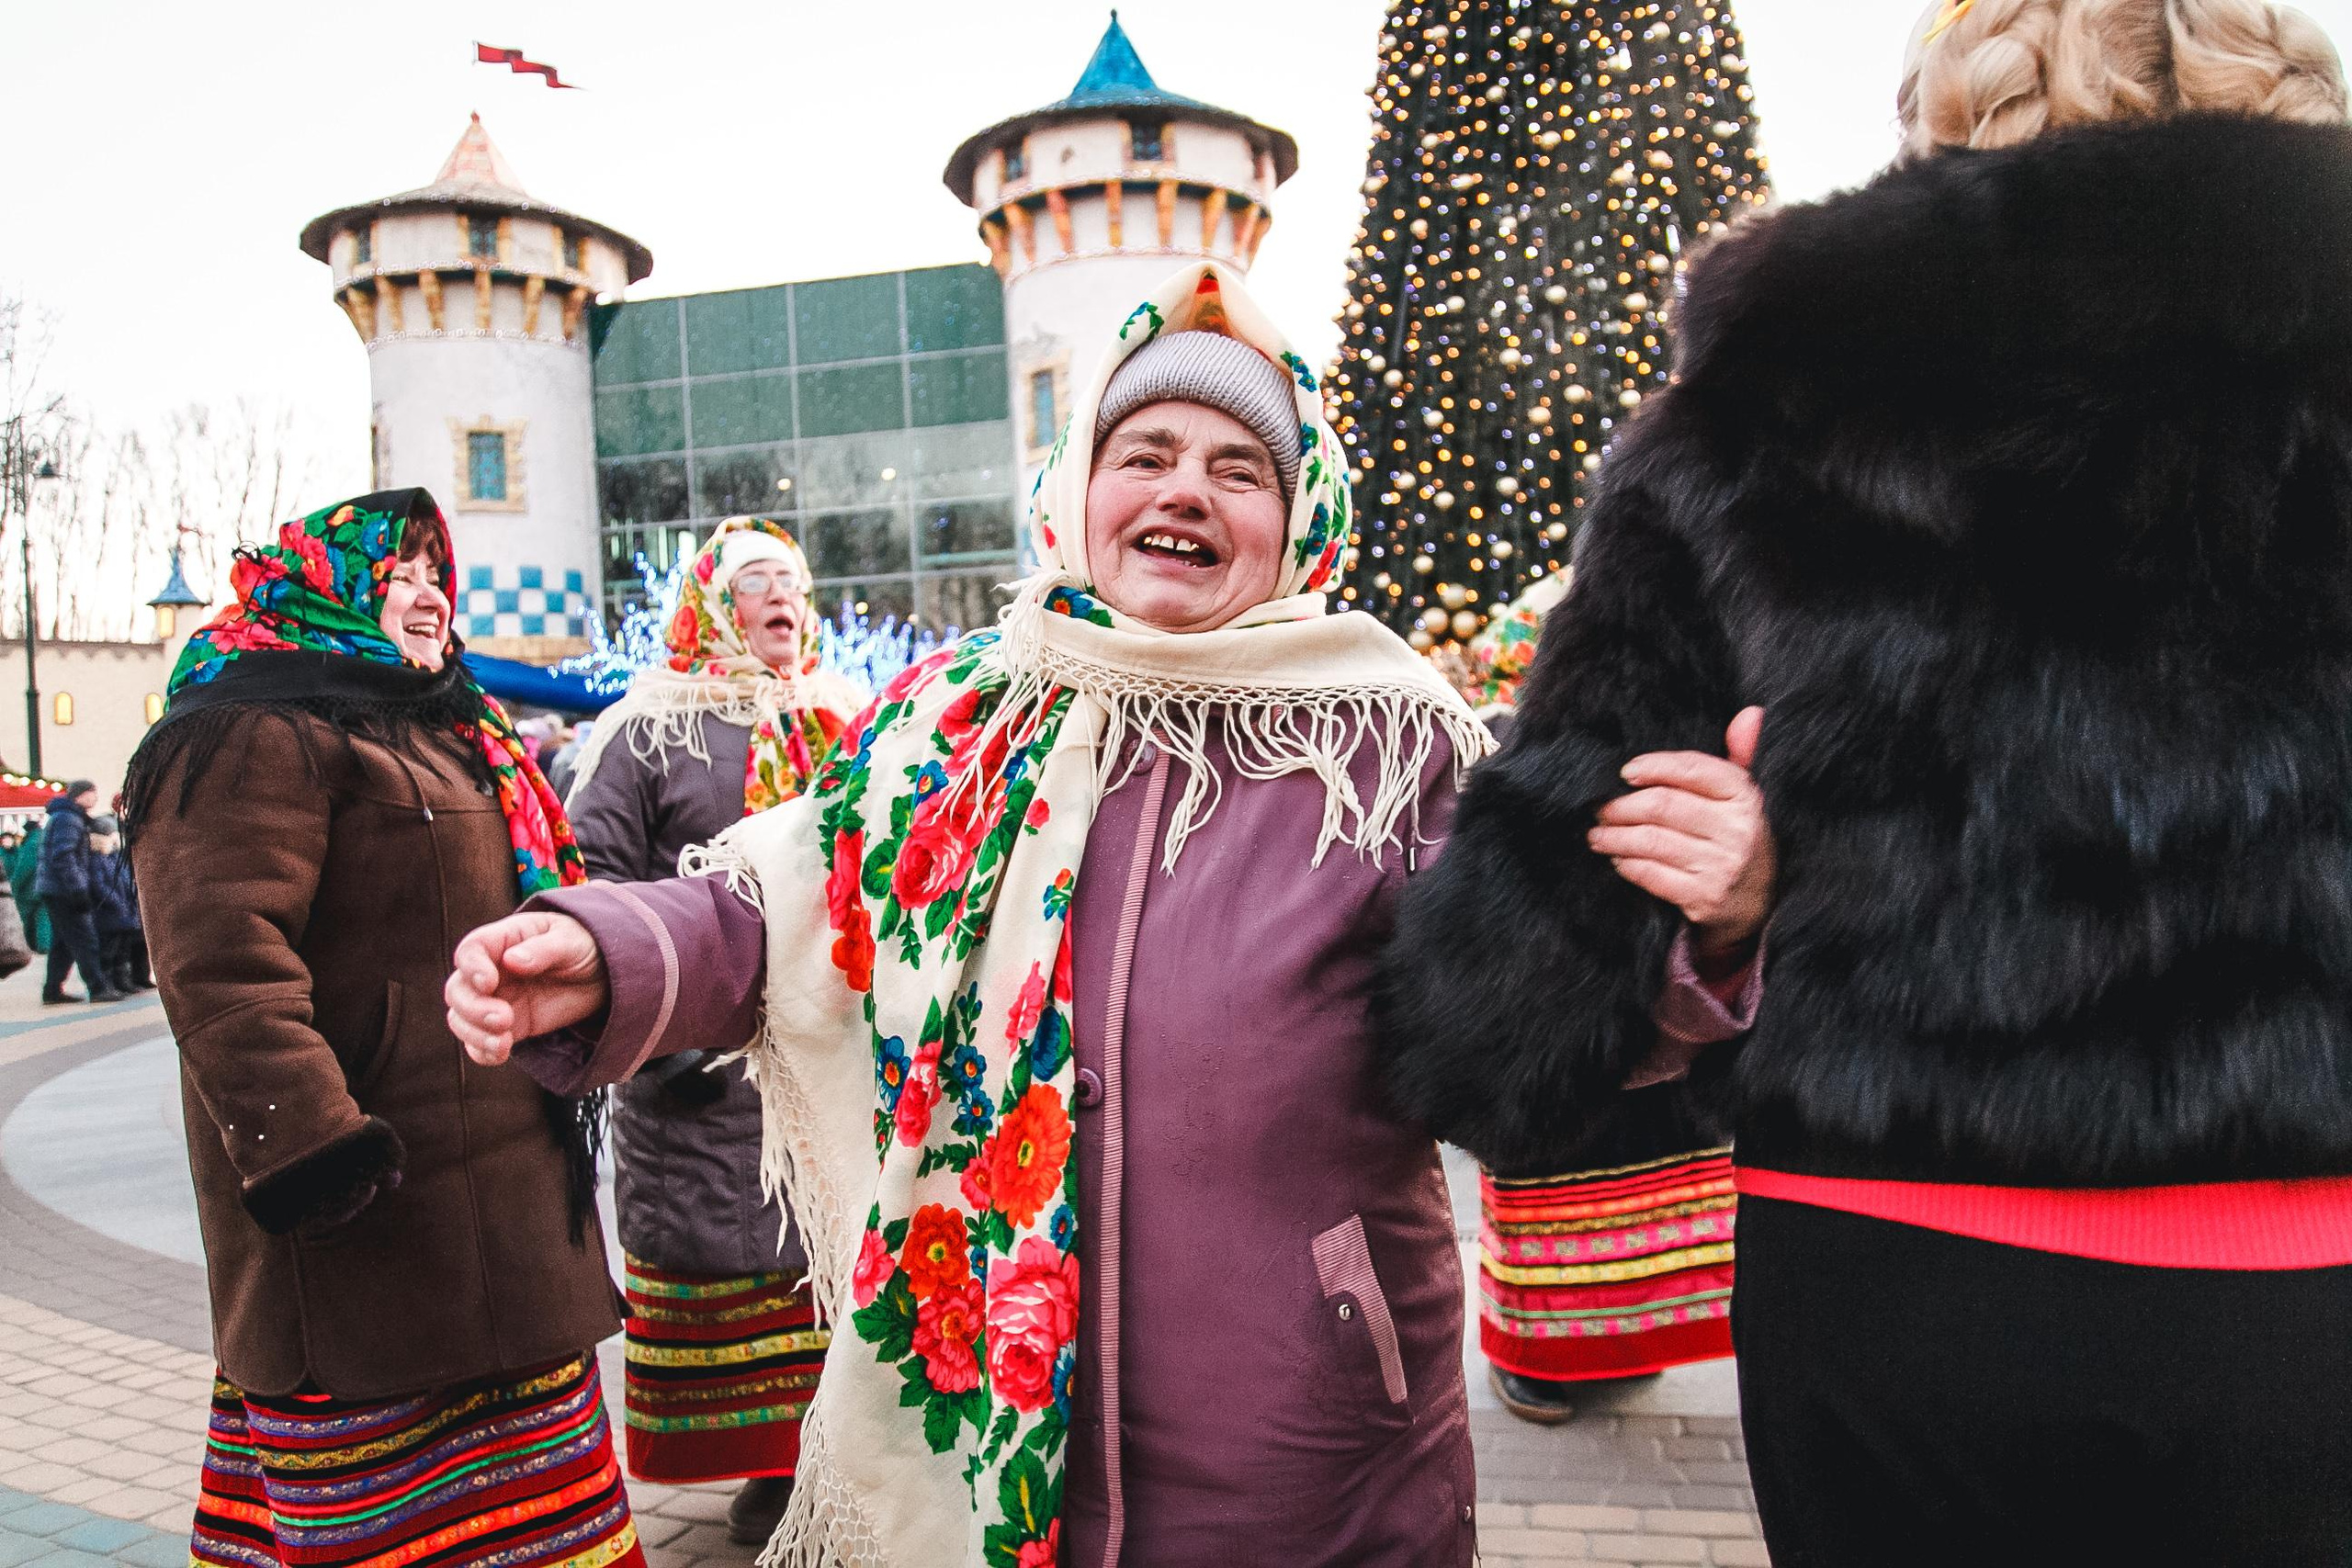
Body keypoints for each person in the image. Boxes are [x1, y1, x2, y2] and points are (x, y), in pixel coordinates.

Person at [447, 264, 1774, 1566]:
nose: (1184, 486)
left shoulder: (1385, 736)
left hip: (1302, 1461)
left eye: (1238, 467)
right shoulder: (954, 716)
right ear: (1077, 489)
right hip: (986, 1428)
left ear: (1300, 513)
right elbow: (781, 900)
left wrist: (1701, 938)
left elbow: (1537, 1010)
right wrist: (608, 952)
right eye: (1143, 451)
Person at [1380, 3, 2352, 1562]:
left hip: (1902, 1267)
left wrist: (1755, 911)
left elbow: (1514, 986)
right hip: (2314, 1279)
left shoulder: (1780, 387)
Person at [122, 490, 643, 1568]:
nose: (426, 594)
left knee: (546, 1527)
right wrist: (312, 1145)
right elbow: (219, 958)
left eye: (432, 573)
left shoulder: (447, 729)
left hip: (500, 1194)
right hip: (371, 1211)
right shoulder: (248, 728)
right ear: (328, 589)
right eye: (396, 573)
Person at [562, 517, 864, 1543]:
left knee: (839, 1254)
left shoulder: (849, 717)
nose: (782, 598)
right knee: (729, 1264)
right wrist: (665, 1025)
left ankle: (840, 1457)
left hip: (831, 1051)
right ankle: (767, 1470)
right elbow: (592, 877)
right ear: (708, 607)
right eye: (755, 584)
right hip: (698, 1071)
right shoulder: (647, 730)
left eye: (793, 582)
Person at [1447, 573, 1749, 1425]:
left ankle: (1575, 1356)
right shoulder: (1678, 684)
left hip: (1589, 974)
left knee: (1585, 1159)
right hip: (1599, 970)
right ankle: (1583, 1351)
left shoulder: (1527, 732)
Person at [36, 780, 120, 1003]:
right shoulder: (68, 819)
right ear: (80, 795)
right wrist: (77, 889)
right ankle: (98, 987)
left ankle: (52, 990)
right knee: (85, 938)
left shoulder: (64, 817)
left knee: (62, 942)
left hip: (54, 888)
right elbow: (64, 856)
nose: (95, 797)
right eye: (92, 793)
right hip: (63, 889)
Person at [86, 814, 149, 992]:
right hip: (109, 913)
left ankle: (123, 982)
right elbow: (100, 885)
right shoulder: (98, 859)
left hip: (121, 911)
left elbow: (125, 880)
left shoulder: (114, 857)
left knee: (122, 950)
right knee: (109, 952)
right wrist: (117, 902)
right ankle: (110, 983)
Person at [10, 817, 48, 956]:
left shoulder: (32, 842)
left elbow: (24, 867)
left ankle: (25, 945)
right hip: (46, 885)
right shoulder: (46, 838)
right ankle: (44, 945)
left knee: (25, 917)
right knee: (43, 917)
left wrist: (14, 885)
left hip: (30, 888)